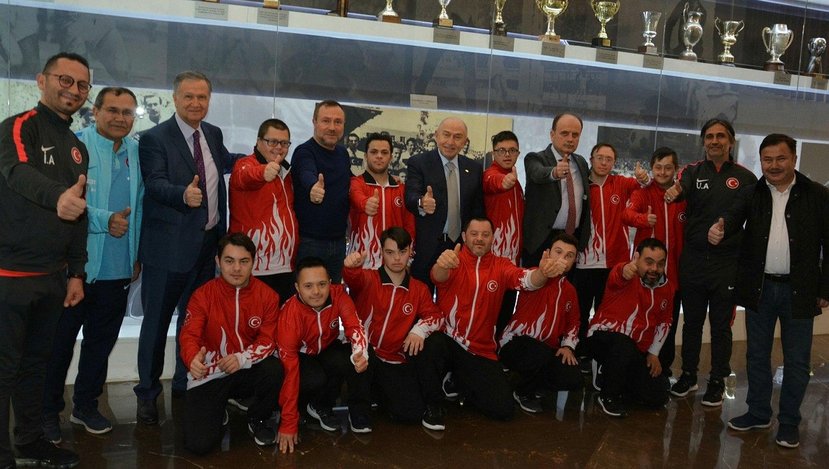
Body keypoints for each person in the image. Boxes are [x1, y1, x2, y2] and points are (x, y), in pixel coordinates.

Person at [0, 51, 90, 469]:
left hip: (53, 278)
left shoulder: (77, 147)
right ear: (42, 80)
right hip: (9, 276)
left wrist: (76, 272)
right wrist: (58, 197)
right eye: (64, 80)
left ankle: (30, 442)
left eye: (82, 85)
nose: (73, 90)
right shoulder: (19, 127)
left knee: (36, 366)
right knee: (4, 369)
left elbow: (78, 212)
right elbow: (18, 172)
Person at [42, 86, 143, 444]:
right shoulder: (75, 146)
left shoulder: (136, 152)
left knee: (100, 345)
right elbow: (65, 202)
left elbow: (140, 207)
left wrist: (135, 255)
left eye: (127, 112)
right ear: (95, 111)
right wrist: (105, 219)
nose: (120, 118)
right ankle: (47, 413)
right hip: (75, 270)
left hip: (119, 270)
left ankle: (85, 406)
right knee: (59, 345)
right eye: (112, 110)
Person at [714, 134, 829, 448]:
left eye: (781, 158)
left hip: (800, 291)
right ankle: (758, 413)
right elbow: (732, 218)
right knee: (756, 355)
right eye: (767, 160)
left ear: (794, 158)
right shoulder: (752, 193)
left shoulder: (817, 194)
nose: (774, 165)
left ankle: (789, 422)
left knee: (797, 361)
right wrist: (720, 227)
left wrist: (825, 287)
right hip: (760, 289)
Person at [136, 71, 233, 424]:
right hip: (167, 251)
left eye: (202, 97)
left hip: (206, 247)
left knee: (194, 323)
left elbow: (225, 162)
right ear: (175, 99)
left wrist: (263, 157)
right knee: (156, 324)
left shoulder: (213, 133)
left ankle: (185, 381)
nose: (195, 103)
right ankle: (147, 394)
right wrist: (182, 194)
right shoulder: (154, 138)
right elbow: (154, 183)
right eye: (188, 96)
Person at [415, 218, 563, 430]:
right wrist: (441, 265)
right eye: (474, 234)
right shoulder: (453, 259)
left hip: (480, 350)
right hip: (448, 339)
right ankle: (433, 406)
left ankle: (458, 379)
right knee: (432, 344)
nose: (479, 239)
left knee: (503, 410)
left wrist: (542, 274)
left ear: (493, 238)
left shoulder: (501, 265)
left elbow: (526, 280)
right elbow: (437, 276)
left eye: (485, 235)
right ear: (464, 236)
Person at [665, 118, 757, 406]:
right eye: (709, 137)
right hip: (693, 260)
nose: (714, 141)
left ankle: (717, 380)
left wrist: (725, 227)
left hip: (726, 263)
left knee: (720, 326)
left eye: (720, 136)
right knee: (691, 323)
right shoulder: (692, 171)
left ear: (730, 141)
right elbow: (680, 188)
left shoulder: (746, 178)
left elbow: (748, 217)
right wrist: (674, 191)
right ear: (703, 142)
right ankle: (688, 375)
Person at [179, 233, 283, 454]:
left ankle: (258, 418)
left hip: (246, 367)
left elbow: (268, 340)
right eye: (229, 261)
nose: (236, 268)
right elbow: (189, 335)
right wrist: (193, 359)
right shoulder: (202, 295)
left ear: (253, 262)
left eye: (244, 261)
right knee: (198, 446)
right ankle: (218, 407)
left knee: (275, 369)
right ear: (218, 261)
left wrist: (241, 358)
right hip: (211, 372)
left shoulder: (268, 296)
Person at [342, 227, 443, 423]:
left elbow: (436, 316)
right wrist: (350, 268)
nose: (397, 258)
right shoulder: (368, 278)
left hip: (394, 361)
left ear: (410, 251)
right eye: (390, 252)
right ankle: (359, 412)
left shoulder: (419, 289)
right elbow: (352, 279)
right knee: (361, 352)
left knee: (411, 414)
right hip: (366, 355)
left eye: (402, 252)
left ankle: (379, 393)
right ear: (381, 252)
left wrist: (419, 330)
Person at [275, 257, 369, 454]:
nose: (316, 291)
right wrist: (288, 424)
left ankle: (321, 406)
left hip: (326, 347)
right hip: (300, 356)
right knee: (313, 378)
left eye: (322, 284)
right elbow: (290, 371)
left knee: (350, 359)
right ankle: (299, 409)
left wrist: (360, 353)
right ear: (297, 288)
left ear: (330, 283)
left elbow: (354, 327)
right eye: (308, 286)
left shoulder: (339, 295)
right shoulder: (289, 318)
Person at [572, 143, 649, 362]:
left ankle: (600, 358)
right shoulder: (581, 185)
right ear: (591, 159)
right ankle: (580, 354)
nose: (604, 163)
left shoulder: (621, 183)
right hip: (584, 262)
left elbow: (644, 186)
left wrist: (643, 178)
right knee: (580, 313)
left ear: (614, 162)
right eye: (600, 158)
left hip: (614, 264)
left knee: (606, 314)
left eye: (609, 159)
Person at [587, 238, 674, 418]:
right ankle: (607, 396)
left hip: (636, 349)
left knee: (658, 395)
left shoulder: (667, 288)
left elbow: (664, 322)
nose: (654, 269)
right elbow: (618, 275)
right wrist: (625, 270)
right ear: (636, 258)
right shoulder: (625, 273)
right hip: (604, 337)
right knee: (623, 345)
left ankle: (615, 375)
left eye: (660, 264)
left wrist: (653, 353)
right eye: (648, 262)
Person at [498, 234, 582, 414]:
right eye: (558, 252)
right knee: (539, 354)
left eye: (569, 255)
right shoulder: (535, 274)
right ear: (548, 253)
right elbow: (529, 281)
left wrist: (567, 346)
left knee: (573, 378)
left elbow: (574, 322)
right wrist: (542, 273)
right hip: (515, 342)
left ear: (574, 261)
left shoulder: (570, 290)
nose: (562, 258)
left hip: (546, 349)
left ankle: (534, 381)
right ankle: (522, 392)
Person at [622, 147, 686, 375]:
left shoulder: (683, 195)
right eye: (658, 167)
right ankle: (634, 368)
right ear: (652, 168)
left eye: (668, 167)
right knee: (639, 319)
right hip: (645, 273)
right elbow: (626, 215)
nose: (662, 172)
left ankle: (663, 369)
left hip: (674, 273)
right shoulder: (643, 192)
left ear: (675, 169)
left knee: (668, 321)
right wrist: (643, 219)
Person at [404, 117, 484, 288]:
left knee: (456, 296)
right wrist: (422, 202)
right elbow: (410, 196)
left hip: (460, 247)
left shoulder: (474, 169)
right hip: (427, 245)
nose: (450, 142)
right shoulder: (419, 162)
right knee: (422, 296)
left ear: (465, 142)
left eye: (457, 137)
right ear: (436, 135)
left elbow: (477, 210)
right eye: (446, 135)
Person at [229, 118, 298, 302]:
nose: (279, 148)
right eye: (272, 142)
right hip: (253, 267)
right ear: (259, 141)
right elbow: (245, 177)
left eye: (284, 143)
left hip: (285, 266)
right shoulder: (244, 164)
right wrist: (262, 172)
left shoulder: (287, 172)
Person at [291, 100, 351, 283]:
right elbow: (306, 172)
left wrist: (384, 180)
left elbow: (352, 181)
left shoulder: (343, 154)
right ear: (314, 122)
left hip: (339, 242)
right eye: (326, 121)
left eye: (338, 122)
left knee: (334, 295)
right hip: (310, 242)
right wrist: (313, 187)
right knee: (308, 295)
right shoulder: (304, 152)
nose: (332, 127)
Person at [523, 113, 591, 268]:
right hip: (542, 240)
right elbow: (537, 173)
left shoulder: (581, 162)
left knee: (565, 283)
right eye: (564, 133)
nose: (570, 139)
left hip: (572, 239)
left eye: (575, 135)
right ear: (552, 134)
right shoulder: (535, 158)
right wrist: (554, 172)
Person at [348, 133, 415, 269]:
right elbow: (356, 197)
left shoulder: (401, 188)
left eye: (384, 152)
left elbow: (409, 225)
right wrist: (365, 204)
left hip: (395, 264)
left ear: (391, 157)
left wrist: (408, 257)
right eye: (374, 152)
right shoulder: (356, 183)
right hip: (363, 263)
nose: (379, 156)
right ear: (365, 156)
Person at [482, 130, 524, 335]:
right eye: (502, 150)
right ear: (493, 154)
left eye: (512, 150)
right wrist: (504, 182)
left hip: (512, 259)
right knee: (489, 312)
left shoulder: (517, 183)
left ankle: (498, 346)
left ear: (518, 153)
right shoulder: (491, 174)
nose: (507, 154)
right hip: (494, 258)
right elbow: (493, 182)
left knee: (507, 309)